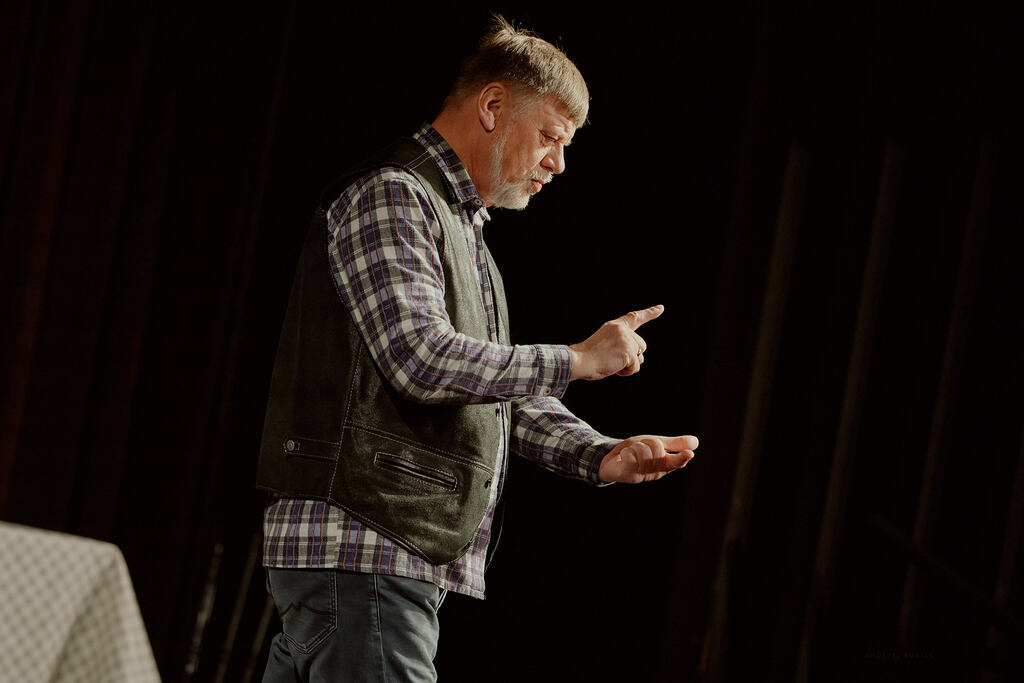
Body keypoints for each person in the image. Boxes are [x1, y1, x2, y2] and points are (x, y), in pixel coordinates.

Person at [255, 14, 699, 682]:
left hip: (375, 560)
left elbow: (489, 390)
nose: (559, 162)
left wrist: (599, 453)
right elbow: (422, 359)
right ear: (493, 106)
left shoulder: (466, 234)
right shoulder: (394, 196)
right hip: (364, 549)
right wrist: (578, 359)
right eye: (550, 136)